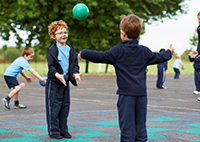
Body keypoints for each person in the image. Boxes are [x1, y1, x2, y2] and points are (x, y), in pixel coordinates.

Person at [79, 14, 174, 142]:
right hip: (141, 95)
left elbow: (100, 56)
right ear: (138, 33)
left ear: (122, 33)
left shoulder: (118, 51)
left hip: (126, 96)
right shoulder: (144, 51)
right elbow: (159, 57)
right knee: (140, 127)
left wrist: (83, 53)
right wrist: (169, 52)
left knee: (127, 128)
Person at [46, 20, 82, 139]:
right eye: (60, 33)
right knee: (54, 107)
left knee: (65, 106)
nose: (63, 35)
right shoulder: (53, 50)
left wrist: (75, 73)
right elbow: (51, 66)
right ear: (53, 36)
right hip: (55, 82)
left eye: (65, 32)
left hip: (65, 82)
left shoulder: (71, 49)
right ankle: (54, 130)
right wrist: (57, 75)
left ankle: (63, 129)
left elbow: (75, 64)